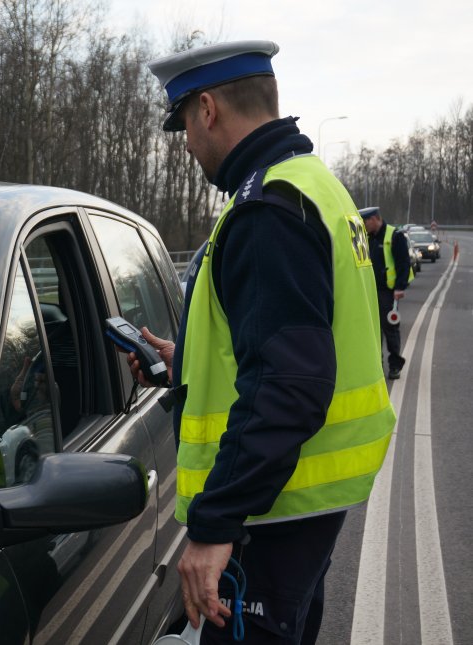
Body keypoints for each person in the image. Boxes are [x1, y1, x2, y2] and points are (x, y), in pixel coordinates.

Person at [132, 41, 396, 644]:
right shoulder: (314, 187)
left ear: (207, 109)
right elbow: (288, 345)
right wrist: (184, 366)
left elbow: (290, 384)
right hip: (300, 508)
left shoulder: (265, 211)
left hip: (266, 515)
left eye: (183, 129)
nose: (189, 146)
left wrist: (216, 524)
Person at [359, 206, 413, 379]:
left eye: (365, 222)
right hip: (370, 291)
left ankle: (395, 365)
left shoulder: (394, 236)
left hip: (388, 292)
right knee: (373, 330)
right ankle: (377, 366)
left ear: (375, 219)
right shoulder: (366, 237)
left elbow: (404, 263)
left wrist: (400, 287)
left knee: (390, 329)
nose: (364, 225)